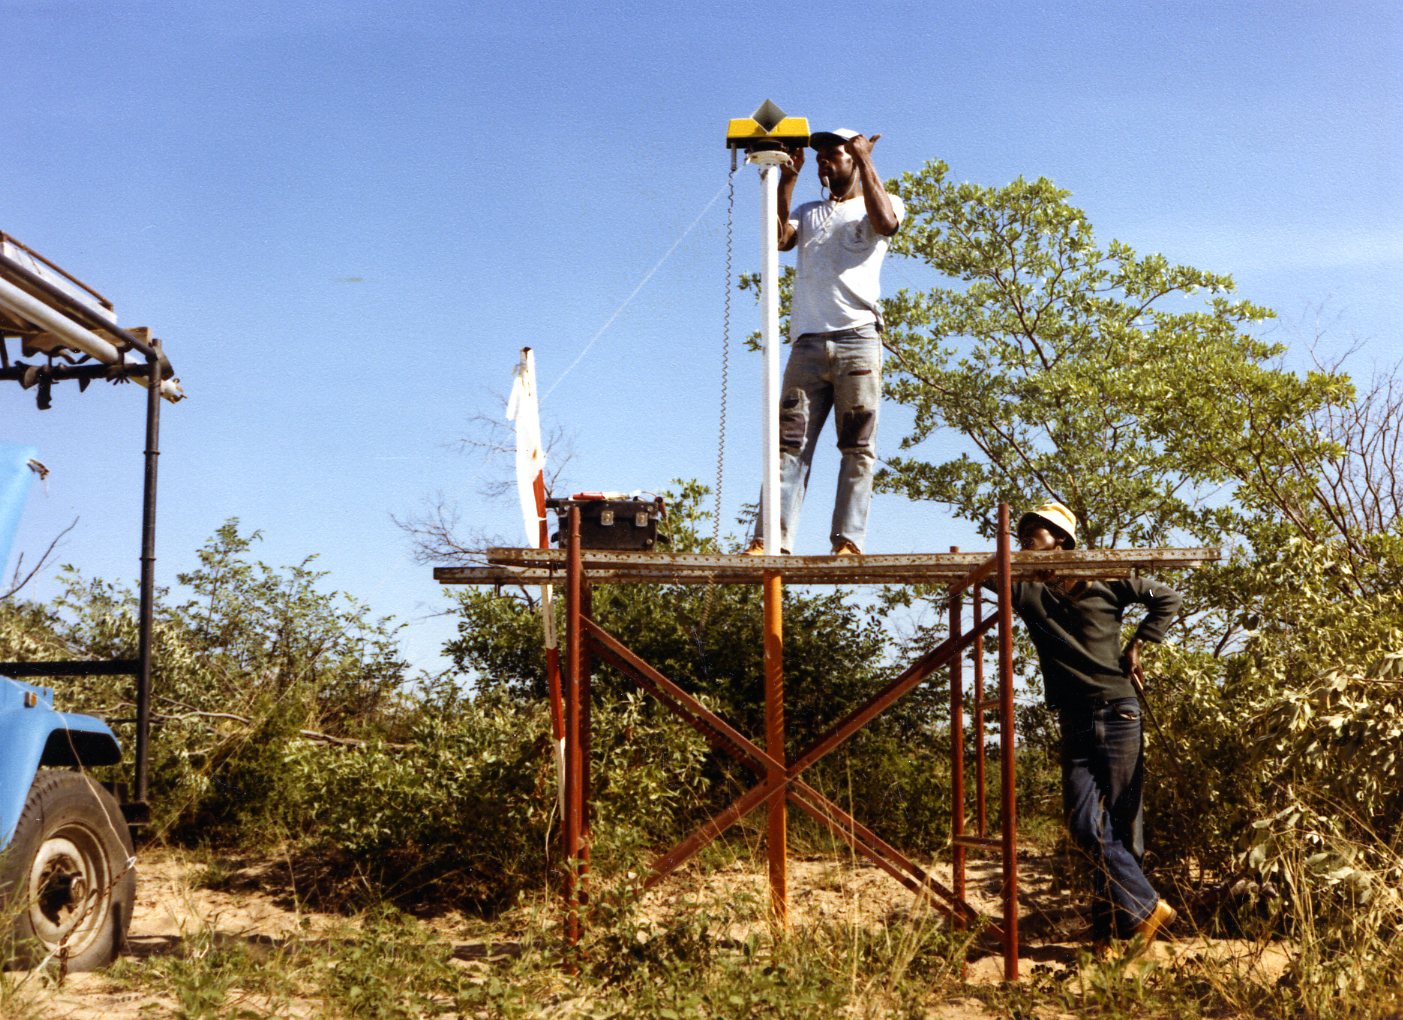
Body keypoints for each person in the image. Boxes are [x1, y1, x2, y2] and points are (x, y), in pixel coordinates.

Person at [1007, 501, 1181, 957]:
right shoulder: (1026, 592)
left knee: (1124, 829)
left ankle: (1110, 937)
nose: (1025, 537)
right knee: (1084, 824)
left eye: (1036, 531)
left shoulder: (1105, 580)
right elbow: (987, 573)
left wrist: (1139, 643)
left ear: (1060, 539)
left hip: (1119, 712)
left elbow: (1166, 597)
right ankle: (1147, 908)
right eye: (1022, 532)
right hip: (1075, 718)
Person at [747, 128, 903, 555]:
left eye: (834, 154)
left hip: (858, 342)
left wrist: (866, 159)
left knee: (857, 445)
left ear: (854, 158)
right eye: (821, 158)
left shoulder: (879, 203)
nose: (825, 162)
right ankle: (770, 539)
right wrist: (789, 177)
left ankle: (849, 540)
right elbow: (778, 240)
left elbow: (886, 224)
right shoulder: (810, 210)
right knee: (789, 444)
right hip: (808, 345)